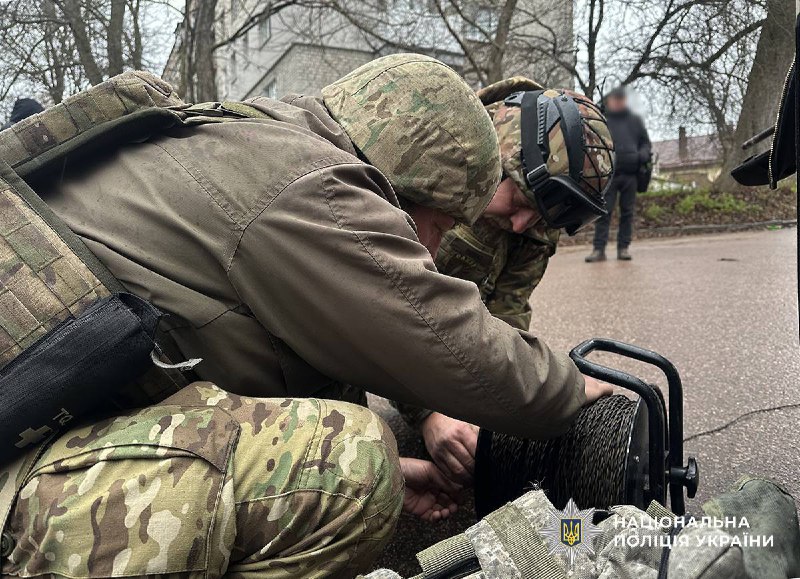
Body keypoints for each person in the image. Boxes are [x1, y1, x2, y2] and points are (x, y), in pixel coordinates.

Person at [0, 54, 610, 577]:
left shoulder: (260, 141)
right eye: (444, 224)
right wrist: (571, 388)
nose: (430, 250)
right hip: (17, 472)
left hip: (39, 431)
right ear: (413, 181)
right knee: (348, 464)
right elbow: (446, 341)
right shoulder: (310, 190)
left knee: (338, 444)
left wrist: (397, 472)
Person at [396, 78, 615, 485]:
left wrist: (512, 396)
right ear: (491, 161)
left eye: (537, 216)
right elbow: (384, 305)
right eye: (516, 202)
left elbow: (507, 313)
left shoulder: (539, 206)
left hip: (442, 337)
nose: (520, 224)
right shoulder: (424, 170)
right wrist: (427, 415)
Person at [586, 86, 651, 262]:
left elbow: (646, 144)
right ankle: (599, 250)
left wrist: (641, 156)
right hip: (609, 175)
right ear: (609, 102)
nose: (618, 102)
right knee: (603, 213)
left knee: (627, 213)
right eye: (615, 99)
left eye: (621, 99)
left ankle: (623, 248)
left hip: (631, 175)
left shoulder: (635, 121)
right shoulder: (602, 120)